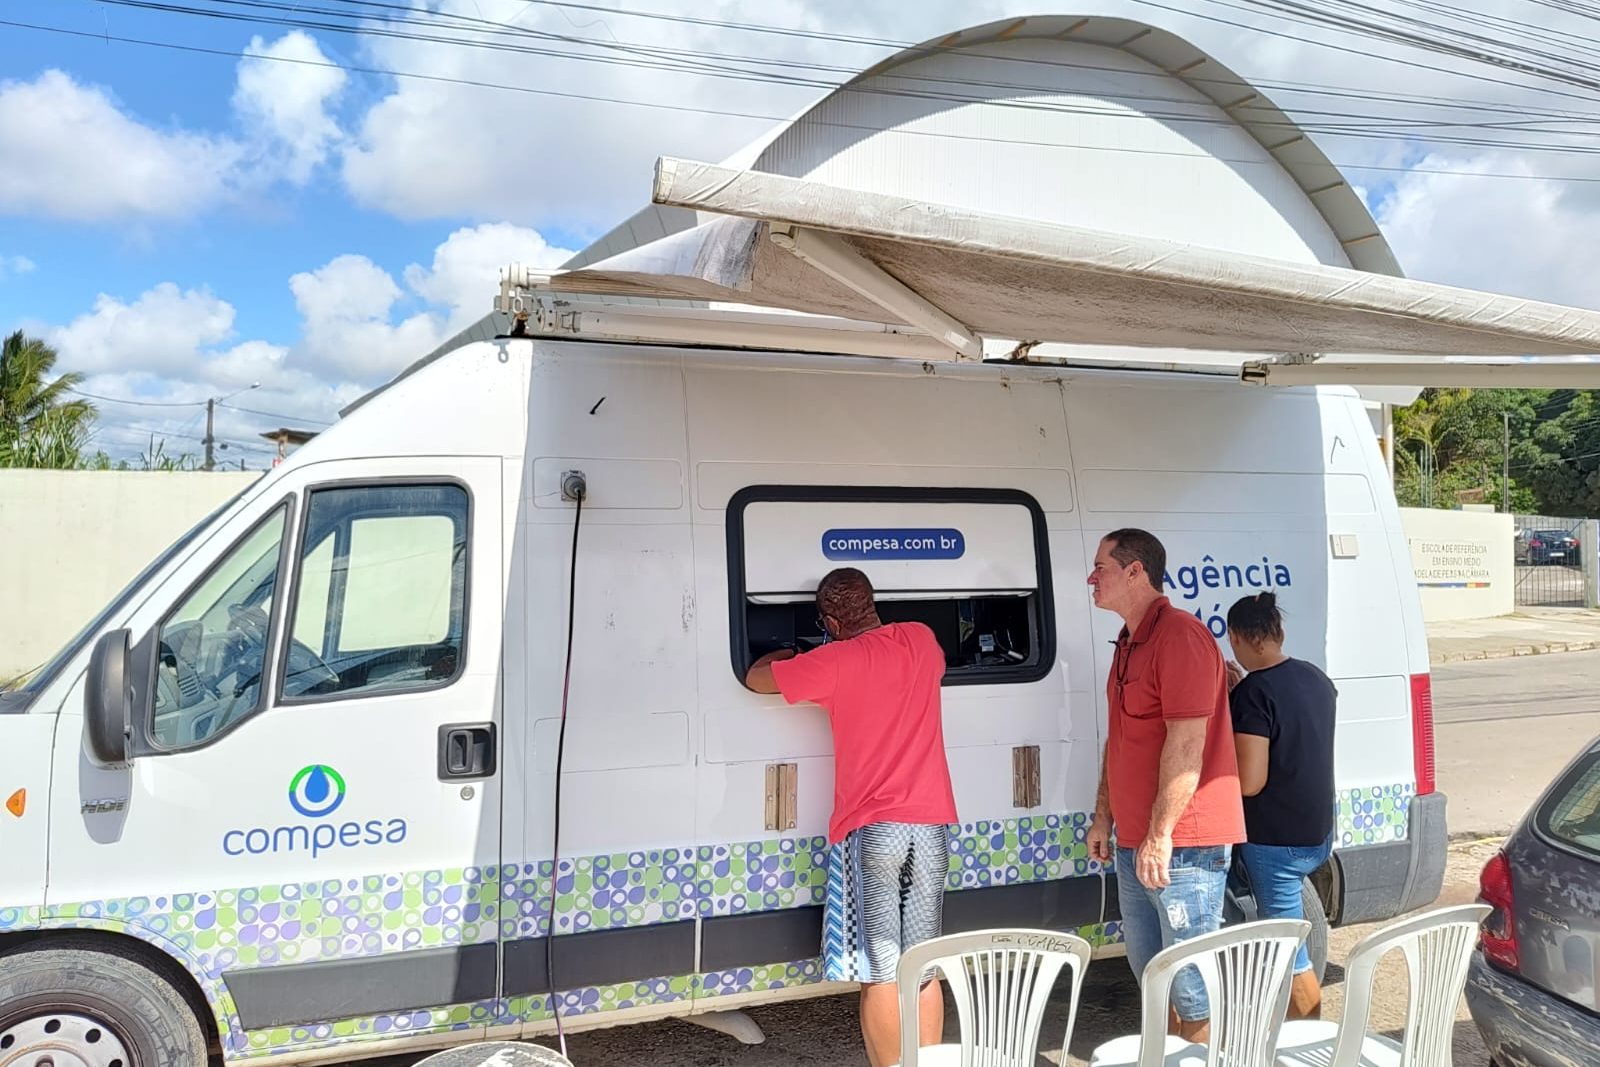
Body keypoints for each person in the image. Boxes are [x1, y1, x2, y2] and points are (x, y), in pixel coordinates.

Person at [744, 567, 957, 1067]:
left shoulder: (832, 661)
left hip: (875, 830)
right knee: (922, 965)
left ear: (830, 621)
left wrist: (797, 652)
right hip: (930, 826)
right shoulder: (921, 640)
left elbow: (756, 678)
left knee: (879, 969)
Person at [1085, 529, 1246, 1044]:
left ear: (1135, 572)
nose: (1091, 577)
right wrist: (1104, 816)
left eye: (1101, 567)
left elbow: (1185, 746)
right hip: (1136, 841)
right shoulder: (1130, 641)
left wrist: (1158, 834)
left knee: (1192, 988)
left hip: (1182, 845)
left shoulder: (1179, 635)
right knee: (1154, 978)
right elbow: (1120, 740)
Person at [1223, 592, 1338, 1020]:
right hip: (1317, 831)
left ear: (1235, 637)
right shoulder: (1314, 677)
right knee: (1287, 941)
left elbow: (1250, 782)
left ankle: (1305, 1042)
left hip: (1276, 842)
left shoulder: (1254, 694)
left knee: (1288, 951)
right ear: (1278, 632)